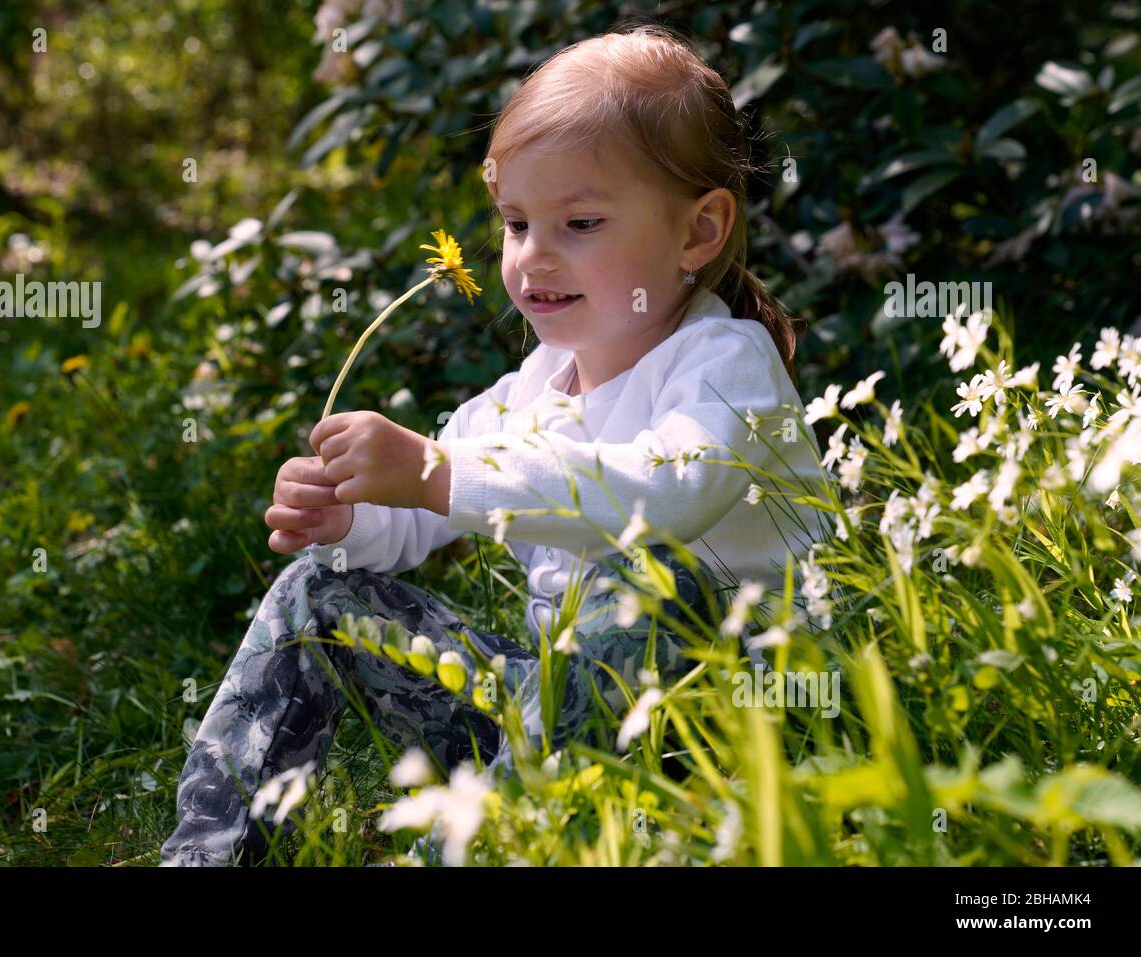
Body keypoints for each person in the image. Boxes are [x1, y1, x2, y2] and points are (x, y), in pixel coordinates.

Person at [160, 24, 830, 867]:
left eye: (579, 221)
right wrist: (348, 516)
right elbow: (416, 524)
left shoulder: (724, 361)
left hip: (734, 723)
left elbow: (668, 496)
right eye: (516, 223)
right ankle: (208, 856)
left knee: (649, 580)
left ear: (698, 232)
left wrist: (437, 471)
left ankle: (478, 846)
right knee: (317, 596)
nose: (533, 257)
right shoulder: (535, 387)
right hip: (559, 727)